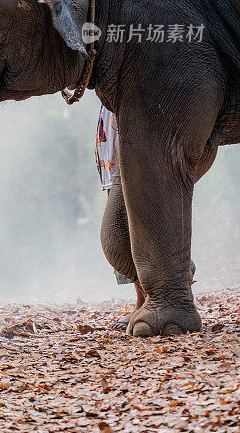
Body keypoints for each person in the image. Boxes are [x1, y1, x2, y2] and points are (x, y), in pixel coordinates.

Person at [95, 104, 145, 329]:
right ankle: (144, 300)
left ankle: (147, 301)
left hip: (132, 164)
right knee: (128, 235)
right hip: (113, 166)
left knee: (133, 235)